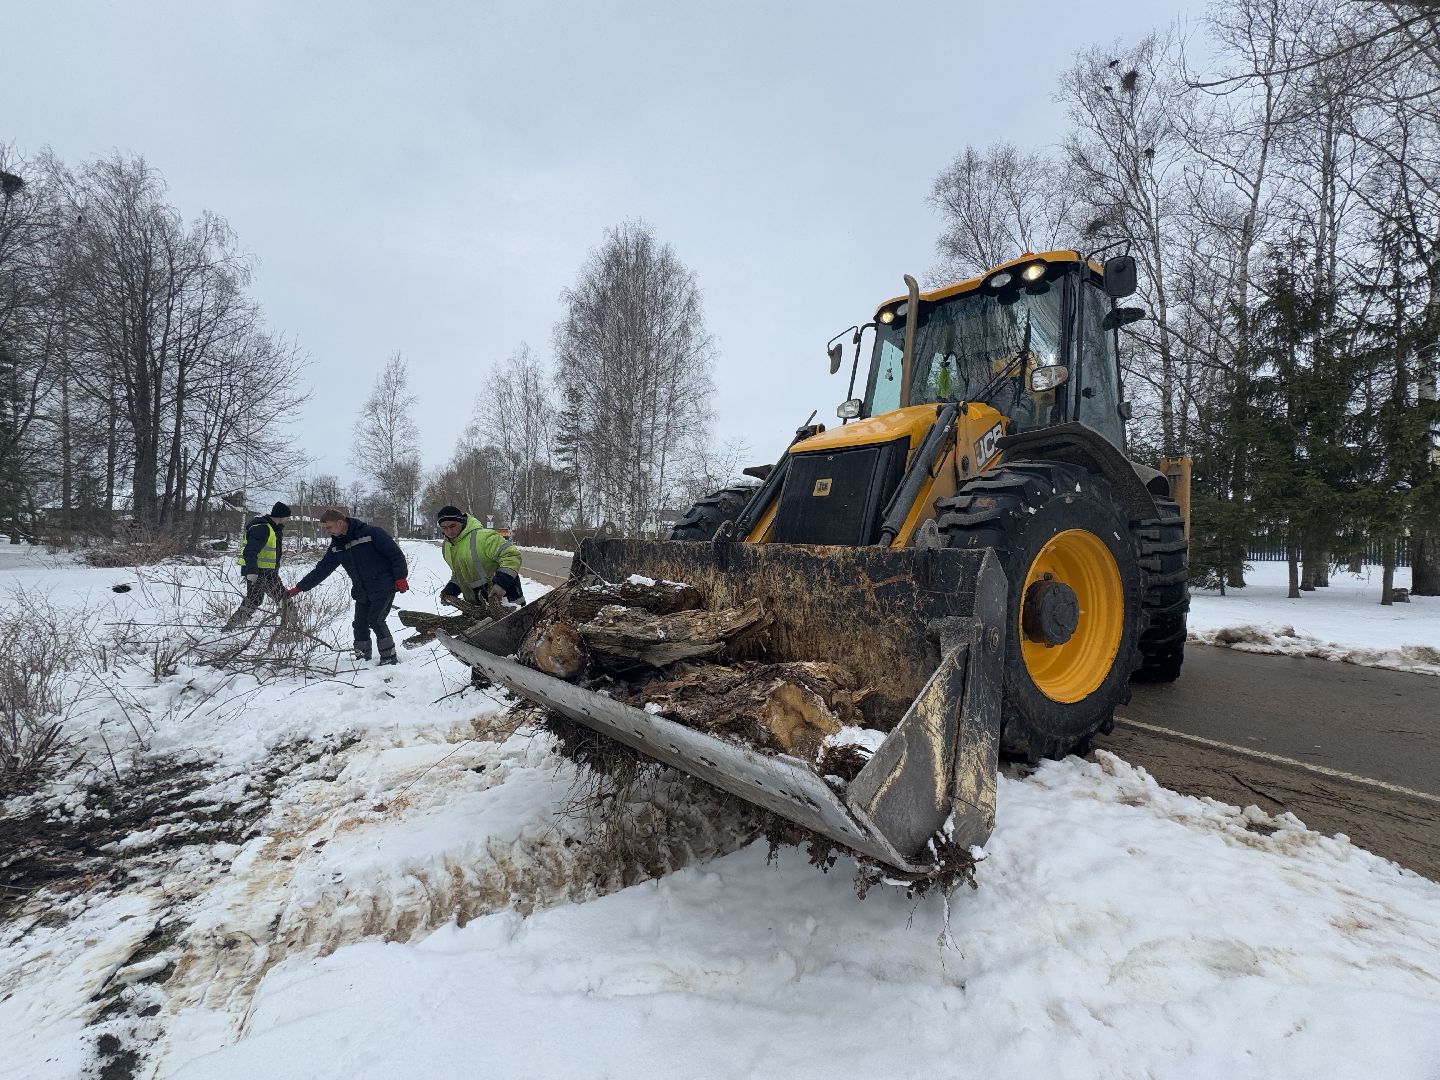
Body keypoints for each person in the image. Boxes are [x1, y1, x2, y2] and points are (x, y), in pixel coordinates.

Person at [287, 508, 410, 665]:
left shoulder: (371, 533)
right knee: (359, 624)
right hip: (362, 590)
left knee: (376, 620)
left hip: (383, 585)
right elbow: (322, 569)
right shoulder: (337, 545)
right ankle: (362, 658)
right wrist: (300, 588)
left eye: (329, 527)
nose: (327, 531)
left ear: (340, 522)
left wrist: (400, 577)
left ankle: (389, 657)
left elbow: (395, 555)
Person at [436, 505, 524, 609]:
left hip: (507, 601)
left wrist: (501, 584)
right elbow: (459, 573)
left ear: (461, 521)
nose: (449, 532)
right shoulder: (447, 547)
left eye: (453, 526)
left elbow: (511, 555)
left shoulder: (483, 537)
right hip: (477, 608)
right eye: (444, 528)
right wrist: (451, 589)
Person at [223, 502, 293, 631]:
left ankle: (293, 629)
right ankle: (229, 628)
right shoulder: (262, 528)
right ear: (281, 516)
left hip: (270, 574)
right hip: (258, 574)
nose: (288, 520)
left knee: (283, 600)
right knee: (253, 602)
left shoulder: (274, 529)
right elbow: (250, 552)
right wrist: (252, 572)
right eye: (287, 517)